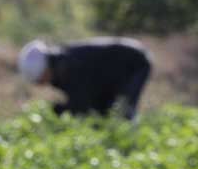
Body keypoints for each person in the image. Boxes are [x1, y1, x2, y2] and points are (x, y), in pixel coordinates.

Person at [18, 37, 152, 120]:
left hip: (134, 64)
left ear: (44, 70)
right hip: (113, 75)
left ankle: (131, 147)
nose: (42, 85)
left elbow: (83, 103)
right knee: (108, 111)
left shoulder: (69, 66)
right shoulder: (61, 65)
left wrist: (58, 110)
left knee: (122, 113)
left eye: (40, 81)